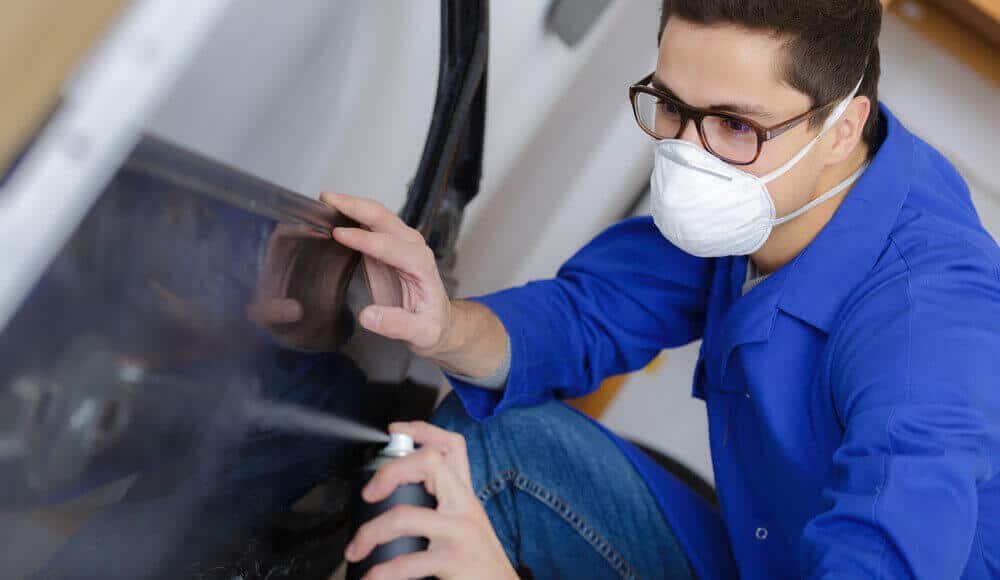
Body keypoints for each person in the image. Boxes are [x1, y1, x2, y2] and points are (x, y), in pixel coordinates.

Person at [323, 1, 1000, 578]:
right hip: (762, 556)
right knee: (472, 454)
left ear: (841, 128)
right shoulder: (771, 202)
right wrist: (443, 325)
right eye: (672, 107)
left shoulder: (928, 328)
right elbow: (583, 318)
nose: (690, 155)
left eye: (735, 126)